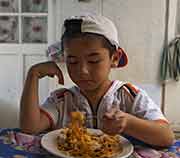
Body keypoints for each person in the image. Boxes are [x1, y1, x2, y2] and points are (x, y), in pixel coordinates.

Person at [20, 14, 175, 147]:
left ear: (114, 58)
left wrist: (128, 123)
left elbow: (166, 137)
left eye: (93, 61)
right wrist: (33, 75)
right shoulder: (62, 100)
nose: (83, 71)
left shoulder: (129, 95)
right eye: (73, 62)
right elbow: (30, 128)